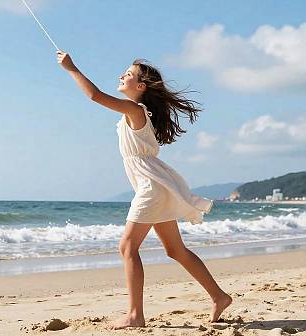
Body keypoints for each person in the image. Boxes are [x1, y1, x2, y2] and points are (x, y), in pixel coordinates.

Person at [56, 50, 232, 330]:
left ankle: (135, 314)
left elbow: (95, 96)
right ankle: (219, 296)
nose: (121, 76)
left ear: (141, 87)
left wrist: (71, 68)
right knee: (175, 250)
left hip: (151, 188)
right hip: (155, 186)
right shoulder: (135, 112)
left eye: (128, 74)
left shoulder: (136, 110)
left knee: (127, 246)